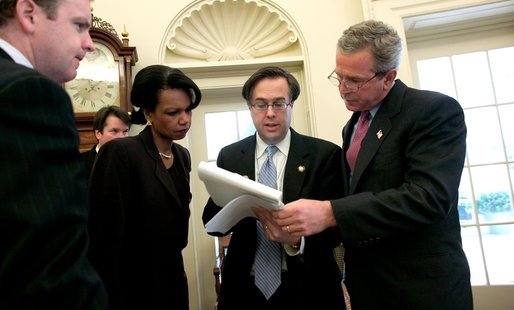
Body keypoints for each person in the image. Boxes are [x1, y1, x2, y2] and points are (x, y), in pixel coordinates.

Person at [272, 20, 473, 309]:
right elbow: (357, 200)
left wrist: (330, 212)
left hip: (420, 287)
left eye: (354, 80)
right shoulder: (353, 125)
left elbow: (429, 197)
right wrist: (300, 230)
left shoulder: (433, 110)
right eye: (338, 76)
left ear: (388, 77)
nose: (343, 88)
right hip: (368, 285)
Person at [0, 0, 108, 308]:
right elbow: (49, 265)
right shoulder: (29, 93)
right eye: (79, 25)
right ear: (29, 14)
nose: (90, 43)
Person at [202, 66, 346, 310]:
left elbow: (339, 226)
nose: (270, 113)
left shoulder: (325, 155)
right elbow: (212, 224)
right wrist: (229, 197)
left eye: (279, 103)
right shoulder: (231, 156)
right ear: (250, 108)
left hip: (310, 287)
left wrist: (297, 240)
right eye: (261, 104)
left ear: (291, 105)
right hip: (244, 287)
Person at [88, 64, 202, 309]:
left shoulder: (182, 156)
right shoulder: (120, 152)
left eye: (188, 110)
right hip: (131, 288)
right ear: (149, 113)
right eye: (173, 112)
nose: (185, 120)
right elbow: (103, 236)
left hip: (173, 284)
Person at [82, 105, 130, 180]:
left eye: (125, 131)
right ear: (98, 133)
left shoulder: (135, 162)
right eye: (114, 131)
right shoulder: (78, 164)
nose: (122, 137)